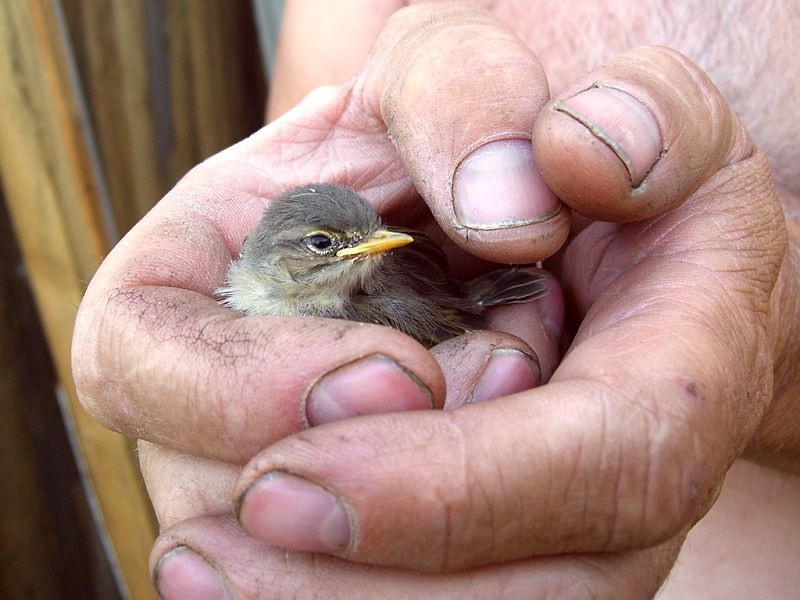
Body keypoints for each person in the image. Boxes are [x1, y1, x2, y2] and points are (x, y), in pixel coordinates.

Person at [71, 1, 800, 598]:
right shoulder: (250, 281)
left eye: (364, 239)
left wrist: (767, 326)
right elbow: (308, 151)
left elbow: (433, 315)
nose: (371, 246)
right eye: (328, 246)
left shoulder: (375, 296)